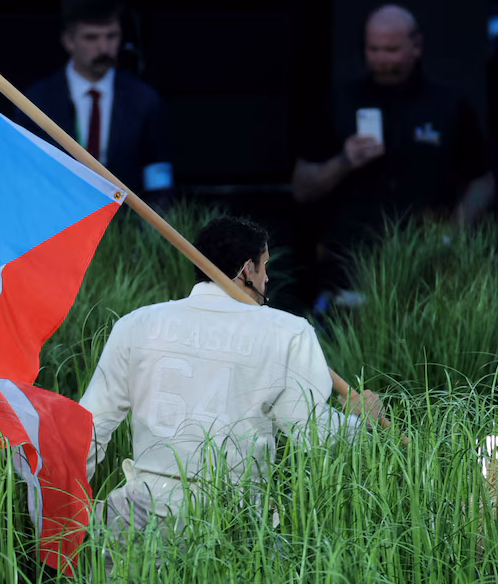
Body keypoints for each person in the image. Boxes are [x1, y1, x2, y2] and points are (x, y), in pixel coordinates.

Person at [79, 217, 381, 557]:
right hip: (235, 524)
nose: (267, 278)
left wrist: (67, 521)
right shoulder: (289, 332)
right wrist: (362, 420)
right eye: (264, 266)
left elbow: (86, 431)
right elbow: (315, 433)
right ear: (246, 269)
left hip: (138, 520)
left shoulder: (136, 324)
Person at [292, 5, 496, 302]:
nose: (381, 60)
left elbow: (483, 180)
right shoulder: (338, 104)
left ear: (416, 46)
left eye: (391, 50)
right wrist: (344, 162)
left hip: (426, 271)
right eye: (373, 50)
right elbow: (301, 188)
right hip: (349, 269)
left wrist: (451, 235)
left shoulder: (449, 106)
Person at [13, 0, 175, 203]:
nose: (103, 47)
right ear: (69, 41)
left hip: (125, 229)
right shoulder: (36, 102)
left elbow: (159, 184)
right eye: (91, 38)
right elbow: (23, 177)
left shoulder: (145, 101)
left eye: (111, 36)